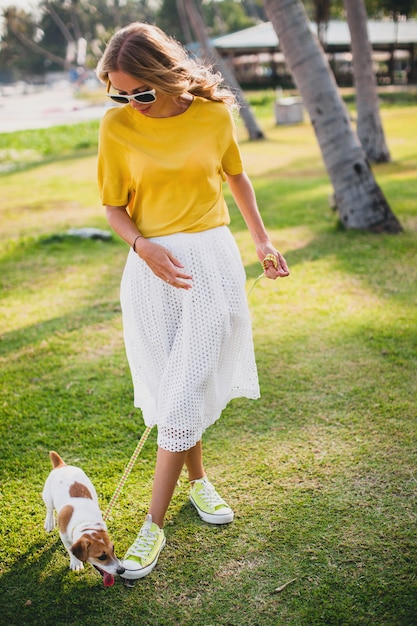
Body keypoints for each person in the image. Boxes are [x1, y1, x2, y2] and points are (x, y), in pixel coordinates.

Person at [95, 22, 289, 581]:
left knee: (184, 391)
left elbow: (237, 177)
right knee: (173, 383)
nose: (133, 103)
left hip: (211, 264)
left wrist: (261, 239)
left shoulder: (212, 115)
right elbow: (113, 207)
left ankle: (150, 527)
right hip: (150, 268)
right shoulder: (117, 126)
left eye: (142, 92)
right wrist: (142, 247)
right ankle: (199, 482)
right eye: (121, 93)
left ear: (166, 77)